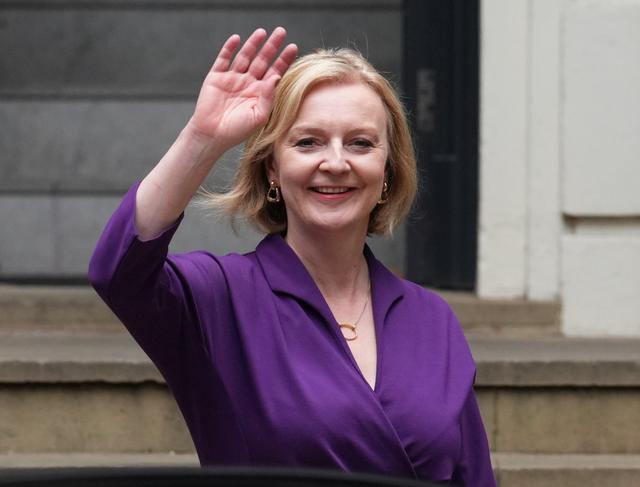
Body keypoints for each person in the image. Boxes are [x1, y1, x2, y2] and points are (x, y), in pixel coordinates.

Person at [88, 27, 496, 486]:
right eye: (308, 142)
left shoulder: (431, 317)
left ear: (387, 172)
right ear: (273, 170)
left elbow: (473, 475)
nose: (336, 162)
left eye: (360, 143)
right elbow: (117, 271)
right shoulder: (220, 297)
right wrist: (203, 139)